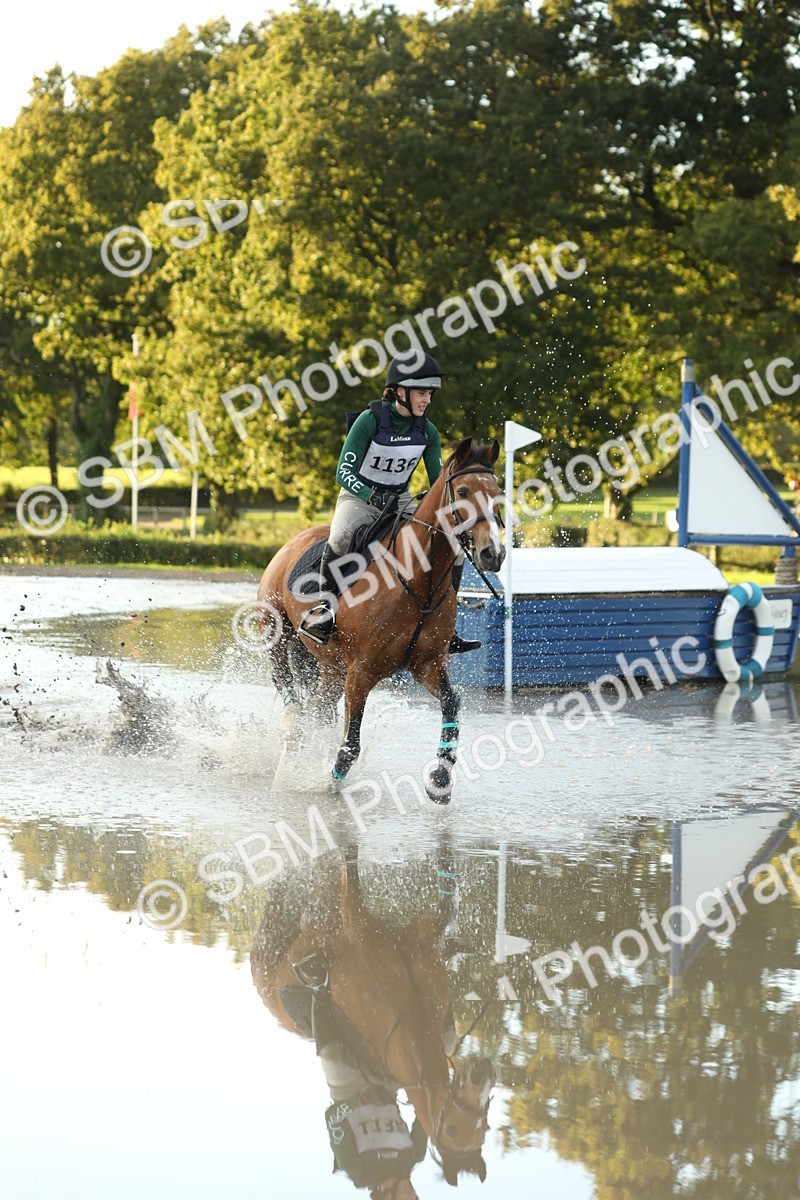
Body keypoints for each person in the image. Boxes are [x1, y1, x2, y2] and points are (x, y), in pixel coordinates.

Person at [299, 349, 481, 654]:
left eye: (430, 394)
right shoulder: (369, 421)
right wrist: (371, 494)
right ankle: (325, 611)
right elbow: (343, 471)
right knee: (341, 536)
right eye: (422, 393)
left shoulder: (428, 431)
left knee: (455, 549)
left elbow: (439, 481)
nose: (427, 400)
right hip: (360, 498)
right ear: (400, 391)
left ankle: (446, 624)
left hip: (400, 500)